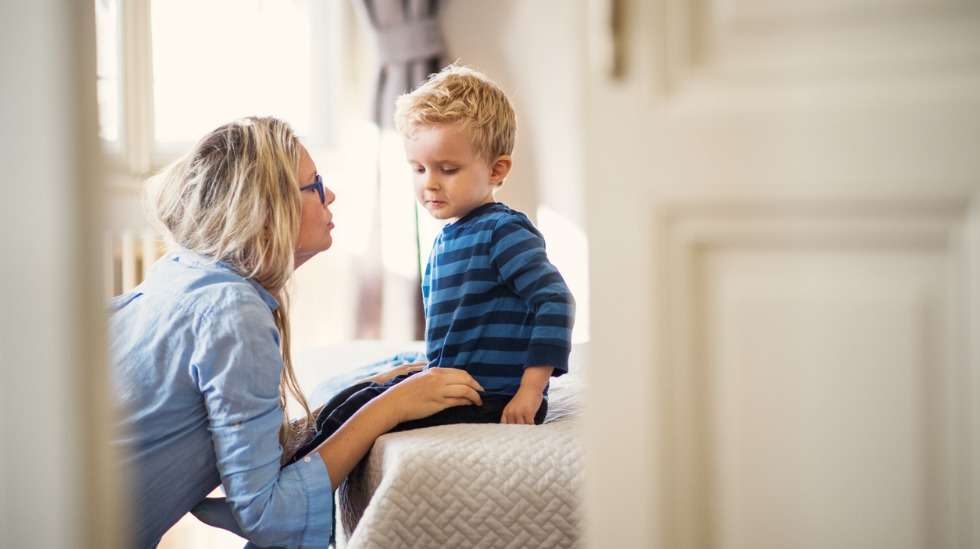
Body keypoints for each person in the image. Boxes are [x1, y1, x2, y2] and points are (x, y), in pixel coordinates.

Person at [108, 116, 485, 548]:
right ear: (266, 213)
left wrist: (367, 392)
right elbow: (268, 514)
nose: (331, 194)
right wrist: (392, 407)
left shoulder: (179, 274)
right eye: (315, 184)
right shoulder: (233, 312)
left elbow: (252, 446)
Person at [287, 65, 575, 462]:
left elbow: (555, 302)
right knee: (360, 393)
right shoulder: (450, 236)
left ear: (496, 170)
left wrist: (530, 390)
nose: (430, 183)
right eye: (419, 169)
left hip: (490, 397)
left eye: (448, 169)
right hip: (458, 384)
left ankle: (291, 477)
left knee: (368, 413)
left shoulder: (502, 231)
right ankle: (284, 460)